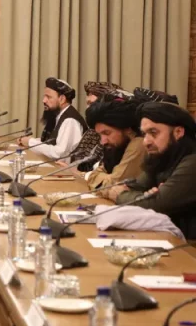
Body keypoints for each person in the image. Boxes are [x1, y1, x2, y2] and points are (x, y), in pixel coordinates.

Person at [109, 102, 196, 240]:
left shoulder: (192, 162)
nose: (146, 142)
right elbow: (136, 186)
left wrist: (120, 195)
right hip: (166, 237)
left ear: (178, 132)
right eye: (144, 134)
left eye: (153, 133)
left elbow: (158, 204)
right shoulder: (160, 157)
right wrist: (143, 196)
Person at [80, 96, 145, 196]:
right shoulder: (116, 146)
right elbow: (95, 174)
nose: (103, 141)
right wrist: (101, 178)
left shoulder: (139, 144)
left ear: (127, 129)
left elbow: (114, 185)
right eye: (100, 135)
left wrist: (98, 179)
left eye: (107, 133)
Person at [17, 77, 87, 160]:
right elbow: (51, 142)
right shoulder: (58, 116)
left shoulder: (70, 121)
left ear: (62, 99)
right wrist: (28, 141)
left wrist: (30, 142)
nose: (44, 100)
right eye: (44, 96)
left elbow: (59, 154)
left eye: (48, 97)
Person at [71, 81, 123, 172]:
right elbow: (79, 160)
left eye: (92, 104)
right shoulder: (92, 131)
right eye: (87, 103)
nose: (88, 108)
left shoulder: (118, 136)